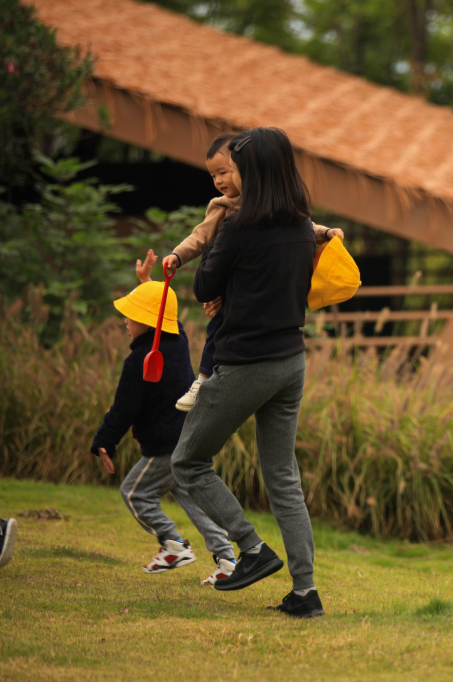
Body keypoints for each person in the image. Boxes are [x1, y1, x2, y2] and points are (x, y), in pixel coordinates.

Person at [170, 127, 322, 618]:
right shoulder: (302, 225)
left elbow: (204, 285)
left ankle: (251, 550)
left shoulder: (238, 226)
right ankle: (305, 593)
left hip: (244, 363)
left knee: (188, 463)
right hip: (290, 362)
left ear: (253, 170)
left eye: (237, 164)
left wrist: (219, 264)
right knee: (283, 477)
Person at [154, 133, 343, 413]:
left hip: (247, 341)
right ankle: (203, 378)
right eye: (213, 175)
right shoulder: (224, 208)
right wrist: (177, 255)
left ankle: (204, 380)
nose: (219, 180)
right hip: (288, 352)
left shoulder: (271, 215)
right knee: (214, 331)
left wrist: (326, 232)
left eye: (226, 171)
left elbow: (308, 227)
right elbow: (200, 236)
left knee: (188, 457)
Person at [90, 280, 237, 585]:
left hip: (166, 443)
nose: (124, 321)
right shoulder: (178, 341)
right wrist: (148, 284)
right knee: (191, 497)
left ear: (146, 322)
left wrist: (104, 440)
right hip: (190, 436)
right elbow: (168, 320)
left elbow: (123, 410)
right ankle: (228, 559)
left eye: (131, 316)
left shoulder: (137, 362)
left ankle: (174, 545)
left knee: (134, 493)